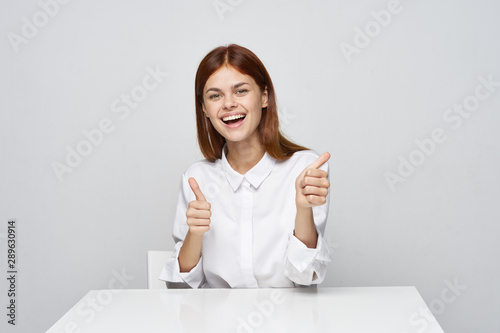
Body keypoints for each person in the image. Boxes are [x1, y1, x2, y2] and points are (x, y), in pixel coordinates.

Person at [160, 44, 331, 288]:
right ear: (204, 109)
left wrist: (303, 209)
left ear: (263, 96)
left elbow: (306, 277)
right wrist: (195, 234)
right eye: (215, 95)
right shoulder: (197, 179)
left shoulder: (304, 169)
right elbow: (181, 289)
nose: (228, 103)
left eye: (240, 91)